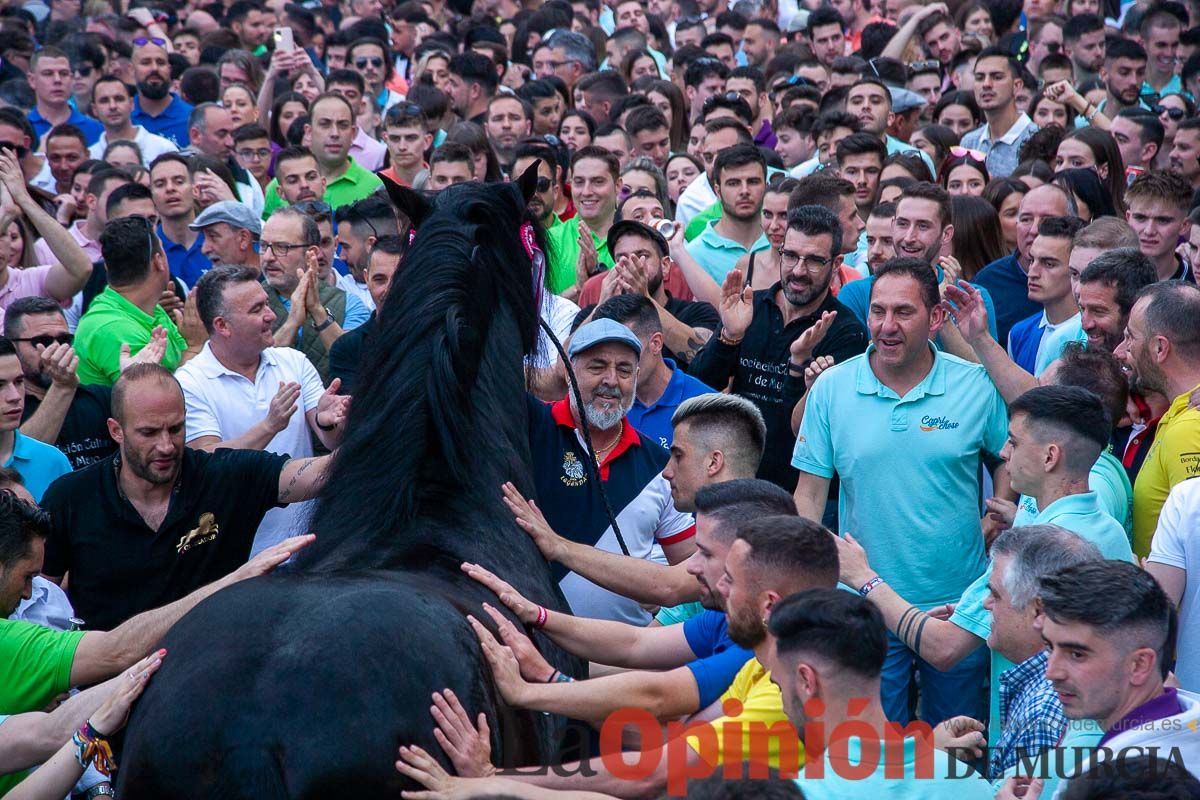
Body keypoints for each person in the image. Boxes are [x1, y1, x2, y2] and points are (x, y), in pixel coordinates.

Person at [416, 514, 839, 795]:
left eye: (729, 577)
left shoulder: (778, 701)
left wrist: (495, 781)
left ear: (768, 605)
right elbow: (656, 724)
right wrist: (546, 665)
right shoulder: (762, 665)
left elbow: (650, 767)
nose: (698, 575)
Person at [794, 257, 1008, 727]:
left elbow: (1011, 456)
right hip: (865, 609)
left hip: (958, 609)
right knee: (874, 752)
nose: (886, 327)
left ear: (935, 318)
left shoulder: (974, 385)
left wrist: (997, 517)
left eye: (903, 313)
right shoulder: (832, 388)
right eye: (877, 312)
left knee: (959, 753)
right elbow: (809, 496)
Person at [40, 363, 335, 631]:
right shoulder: (71, 498)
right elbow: (39, 603)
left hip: (210, 667)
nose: (166, 445)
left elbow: (318, 474)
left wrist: (373, 424)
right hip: (110, 678)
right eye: (149, 432)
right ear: (116, 431)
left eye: (176, 428)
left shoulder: (224, 475)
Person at [526, 317, 695, 625]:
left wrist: (666, 620)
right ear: (569, 370)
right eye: (597, 366)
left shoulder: (661, 465)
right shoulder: (529, 427)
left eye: (624, 370)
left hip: (621, 665)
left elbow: (693, 569)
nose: (612, 380)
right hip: (529, 643)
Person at [175, 266, 349, 556]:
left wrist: (328, 420)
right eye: (257, 309)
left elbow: (330, 440)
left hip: (305, 546)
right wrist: (270, 425)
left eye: (266, 303)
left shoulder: (293, 361)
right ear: (222, 326)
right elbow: (205, 462)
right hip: (237, 554)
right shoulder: (190, 382)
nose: (270, 315)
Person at [691, 205, 866, 491]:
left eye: (814, 261)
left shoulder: (846, 330)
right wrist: (729, 337)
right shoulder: (751, 306)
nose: (798, 270)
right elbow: (701, 385)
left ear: (836, 265)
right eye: (792, 256)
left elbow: (811, 432)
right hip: (735, 480)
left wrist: (799, 366)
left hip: (800, 493)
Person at [994, 560, 1200, 794]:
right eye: (1050, 647)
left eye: (1077, 654)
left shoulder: (1131, 783)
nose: (1051, 672)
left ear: (1139, 665)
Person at [774, 590, 993, 797]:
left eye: (780, 686)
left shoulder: (800, 794)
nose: (783, 705)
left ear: (806, 680)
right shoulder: (973, 787)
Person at [1116, 281, 1200, 558]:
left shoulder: (1189, 427)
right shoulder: (1178, 415)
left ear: (1160, 348)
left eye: (1131, 338)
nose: (1120, 350)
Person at [74, 217, 193, 387]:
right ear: (159, 261)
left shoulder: (153, 308)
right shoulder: (113, 329)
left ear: (107, 266)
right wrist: (194, 346)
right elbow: (162, 402)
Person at [589, 294, 714, 448]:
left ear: (656, 343)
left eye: (628, 350)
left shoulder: (706, 408)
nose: (611, 375)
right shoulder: (599, 400)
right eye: (603, 358)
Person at [261, 207, 365, 383]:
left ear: (312, 253)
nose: (268, 257)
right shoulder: (245, 303)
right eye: (264, 246)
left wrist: (317, 310)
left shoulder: (349, 304)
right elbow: (249, 373)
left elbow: (357, 366)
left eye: (281, 247)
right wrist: (292, 322)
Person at [0, 150, 92, 330]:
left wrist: (24, 200)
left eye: (3, 235)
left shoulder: (31, 279)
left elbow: (81, 269)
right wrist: (7, 213)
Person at [973, 183, 1071, 346]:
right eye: (1026, 219)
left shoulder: (1086, 281)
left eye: (1048, 220)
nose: (1034, 229)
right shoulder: (988, 281)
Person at [261, 94, 383, 218]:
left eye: (343, 125)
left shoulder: (374, 186)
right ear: (308, 132)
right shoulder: (279, 186)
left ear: (352, 134)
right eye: (325, 124)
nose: (335, 133)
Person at [1006, 216, 1087, 376]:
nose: (1032, 273)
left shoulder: (1091, 334)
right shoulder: (1019, 333)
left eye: (1049, 264)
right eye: (1031, 261)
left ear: (1076, 271)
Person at [329, 235, 405, 396]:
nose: (389, 290)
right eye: (379, 280)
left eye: (400, 279)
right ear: (366, 278)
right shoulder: (347, 348)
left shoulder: (440, 337)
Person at [686, 143, 770, 284]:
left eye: (753, 182)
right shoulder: (695, 254)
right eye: (733, 183)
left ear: (766, 187)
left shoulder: (783, 242)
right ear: (717, 191)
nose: (744, 191)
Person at [544, 146, 620, 297]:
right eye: (578, 182)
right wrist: (579, 288)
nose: (586, 192)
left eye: (597, 182)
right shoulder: (549, 240)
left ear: (618, 185)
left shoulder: (636, 239)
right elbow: (539, 313)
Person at [149, 153, 212, 289]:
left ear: (195, 189)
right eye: (160, 184)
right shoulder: (148, 250)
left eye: (179, 181)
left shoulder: (218, 241)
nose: (170, 188)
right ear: (151, 195)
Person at [332, 193, 402, 312]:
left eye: (346, 247)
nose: (341, 256)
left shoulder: (419, 286)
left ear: (371, 244)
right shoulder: (340, 290)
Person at [88, 76, 175, 167]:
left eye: (119, 99)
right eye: (104, 101)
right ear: (94, 109)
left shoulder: (163, 149)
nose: (112, 106)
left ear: (131, 104)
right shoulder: (91, 157)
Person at [1126, 170, 1194, 282]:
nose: (1149, 231)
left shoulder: (1194, 285)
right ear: (1128, 218)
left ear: (1184, 226)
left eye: (1162, 220)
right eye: (1140, 218)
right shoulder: (1107, 278)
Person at [26, 47, 102, 146]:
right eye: (48, 74)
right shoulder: (21, 130)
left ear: (71, 78)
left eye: (64, 73)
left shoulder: (97, 129)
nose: (57, 80)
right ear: (32, 80)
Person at [129, 39, 192, 148]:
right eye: (146, 62)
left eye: (160, 62)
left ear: (169, 69)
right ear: (131, 70)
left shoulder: (191, 118)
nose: (154, 68)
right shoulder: (124, 117)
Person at [191, 201, 261, 273]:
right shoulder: (211, 282)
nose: (204, 249)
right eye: (204, 238)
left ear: (243, 238)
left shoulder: (271, 282)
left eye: (213, 236)